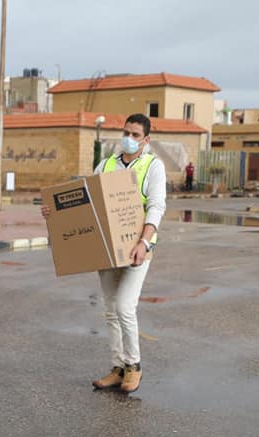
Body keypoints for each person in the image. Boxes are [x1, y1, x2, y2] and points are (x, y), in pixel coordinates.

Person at [41, 113, 164, 394]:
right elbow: (85, 201)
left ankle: (134, 366)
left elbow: (156, 207)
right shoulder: (106, 164)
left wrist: (144, 243)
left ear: (146, 140)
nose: (128, 139)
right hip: (107, 248)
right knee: (110, 310)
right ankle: (117, 367)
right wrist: (53, 211)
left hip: (137, 247)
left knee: (124, 306)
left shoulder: (152, 167)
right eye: (126, 133)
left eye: (135, 135)